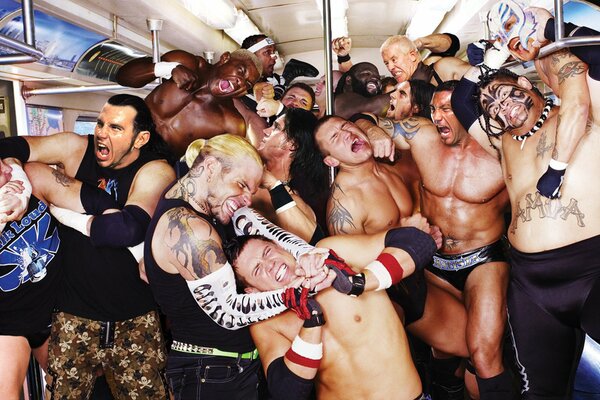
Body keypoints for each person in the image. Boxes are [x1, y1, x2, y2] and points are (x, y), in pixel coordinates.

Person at [0, 94, 176, 399]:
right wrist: (16, 173)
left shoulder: (156, 170)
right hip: (71, 312)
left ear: (140, 138)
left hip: (133, 313)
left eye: (116, 128)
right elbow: (9, 146)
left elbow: (125, 228)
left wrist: (62, 214)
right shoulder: (74, 147)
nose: (102, 133)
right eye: (100, 123)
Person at [356, 81, 516, 399]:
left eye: (447, 108)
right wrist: (373, 130)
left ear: (471, 110)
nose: (438, 116)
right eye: (434, 109)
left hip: (482, 261)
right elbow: (360, 118)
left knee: (484, 354)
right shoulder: (423, 134)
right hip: (433, 260)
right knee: (444, 352)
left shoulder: (502, 147)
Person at [143, 134, 333, 399]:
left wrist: (310, 257)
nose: (246, 199)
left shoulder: (218, 205)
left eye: (251, 191)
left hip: (242, 363)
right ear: (210, 167)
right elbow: (229, 312)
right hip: (210, 373)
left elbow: (278, 238)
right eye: (241, 184)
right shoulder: (189, 229)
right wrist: (298, 291)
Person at [313, 115, 470, 398]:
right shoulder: (345, 203)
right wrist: (409, 237)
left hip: (418, 276)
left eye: (347, 127)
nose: (347, 134)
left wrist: (425, 235)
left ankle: (445, 384)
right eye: (336, 137)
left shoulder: (389, 170)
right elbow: (352, 269)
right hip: (388, 296)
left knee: (472, 342)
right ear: (331, 160)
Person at [469, 66, 600, 400]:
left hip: (591, 268)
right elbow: (460, 100)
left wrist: (541, 40)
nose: (501, 107)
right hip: (531, 285)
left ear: (526, 82)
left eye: (504, 94)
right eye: (491, 107)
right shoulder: (501, 142)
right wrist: (487, 61)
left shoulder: (583, 114)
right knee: (540, 392)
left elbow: (589, 63)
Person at [226, 207, 439, 400]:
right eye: (257, 270)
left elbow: (417, 241)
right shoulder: (266, 324)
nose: (270, 265)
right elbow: (286, 391)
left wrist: (356, 282)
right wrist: (310, 317)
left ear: (279, 246)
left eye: (267, 252)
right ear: (252, 291)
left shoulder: (330, 252)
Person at [480, 1, 598, 199]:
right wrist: (488, 54)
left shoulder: (558, 55)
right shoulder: (541, 58)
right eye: (502, 37)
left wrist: (556, 169)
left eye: (509, 26)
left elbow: (576, 105)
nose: (509, 41)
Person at [116, 48, 262, 158]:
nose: (240, 82)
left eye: (247, 85)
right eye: (241, 71)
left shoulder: (232, 124)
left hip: (153, 163)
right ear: (225, 58)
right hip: (123, 135)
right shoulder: (187, 63)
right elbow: (123, 77)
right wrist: (168, 68)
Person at [0, 158, 63, 400]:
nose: (5, 168)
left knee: (69, 388)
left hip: (57, 305)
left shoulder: (22, 177)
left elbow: (15, 157)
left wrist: (22, 188)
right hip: (10, 322)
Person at [252, 108, 329, 242]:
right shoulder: (249, 172)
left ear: (293, 144)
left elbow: (313, 245)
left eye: (276, 128)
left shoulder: (294, 201)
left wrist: (273, 186)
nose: (265, 131)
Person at [380, 35, 470, 86]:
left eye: (394, 60)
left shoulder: (444, 67)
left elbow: (453, 42)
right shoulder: (401, 94)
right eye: (386, 63)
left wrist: (419, 43)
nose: (390, 67)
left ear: (412, 56)